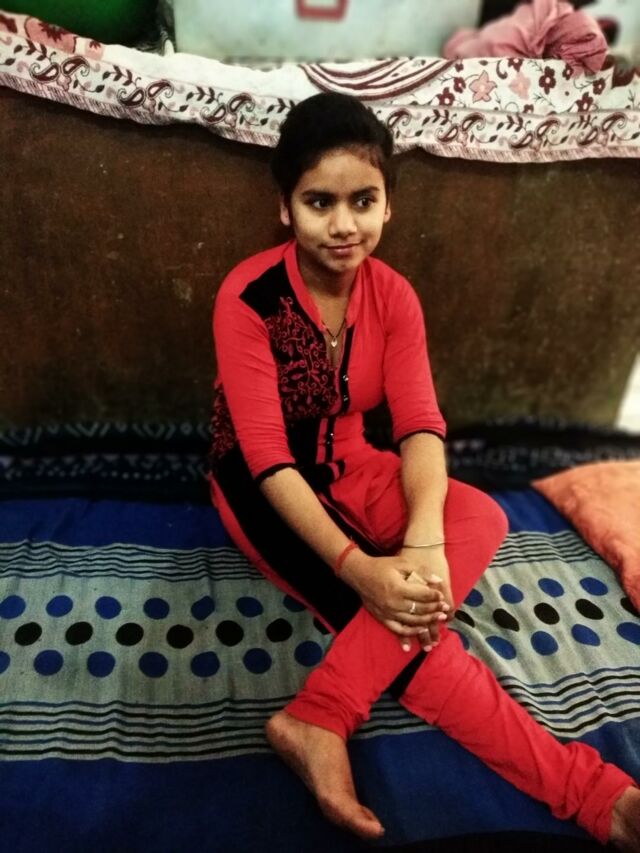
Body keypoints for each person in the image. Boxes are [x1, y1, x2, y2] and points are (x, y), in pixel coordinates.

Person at [207, 92, 640, 849]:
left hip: (353, 460)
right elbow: (268, 458)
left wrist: (423, 545)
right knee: (421, 642)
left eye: (363, 201)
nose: (344, 224)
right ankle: (597, 797)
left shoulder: (394, 296)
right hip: (264, 488)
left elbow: (419, 427)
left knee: (477, 519)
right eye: (319, 202)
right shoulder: (248, 297)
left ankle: (320, 712)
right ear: (285, 208)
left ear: (388, 205)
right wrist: (361, 570)